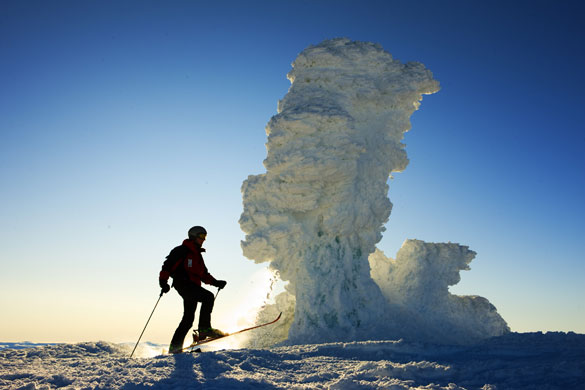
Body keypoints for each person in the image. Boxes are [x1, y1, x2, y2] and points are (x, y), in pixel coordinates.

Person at [159, 226, 228, 354]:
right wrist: (163, 282)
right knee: (207, 297)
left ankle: (175, 348)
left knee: (188, 319)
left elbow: (203, 274)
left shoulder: (197, 255)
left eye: (205, 237)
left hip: (193, 287)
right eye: (201, 236)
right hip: (184, 284)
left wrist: (216, 282)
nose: (204, 239)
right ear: (193, 236)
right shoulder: (181, 251)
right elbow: (167, 266)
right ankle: (204, 329)